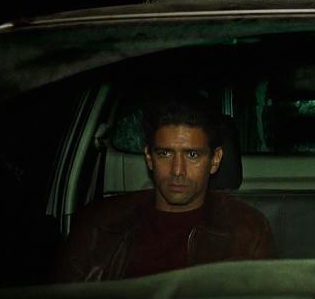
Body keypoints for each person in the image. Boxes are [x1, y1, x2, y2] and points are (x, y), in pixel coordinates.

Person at [54, 91, 274, 282]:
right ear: (149, 157)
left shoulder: (247, 231)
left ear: (215, 160)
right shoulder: (99, 225)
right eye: (165, 153)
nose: (177, 170)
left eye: (192, 155)